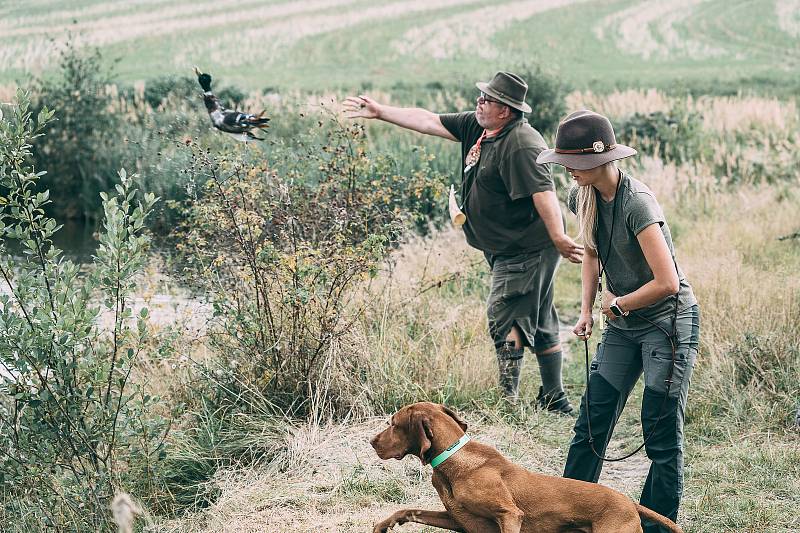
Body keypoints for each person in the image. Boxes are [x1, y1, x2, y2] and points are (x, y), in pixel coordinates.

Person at [344, 72, 583, 412]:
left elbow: (544, 192)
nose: (479, 102)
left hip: (526, 249)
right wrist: (380, 110)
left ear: (507, 110)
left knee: (505, 314)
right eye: (481, 97)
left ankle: (508, 404)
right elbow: (427, 120)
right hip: (506, 248)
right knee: (539, 317)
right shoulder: (480, 128)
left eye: (488, 100)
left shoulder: (522, 143)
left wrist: (559, 236)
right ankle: (554, 398)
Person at [536, 110, 700, 532]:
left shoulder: (637, 203)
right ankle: (568, 518)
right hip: (622, 326)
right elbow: (591, 251)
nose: (567, 170)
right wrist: (588, 309)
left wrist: (619, 303)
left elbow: (667, 282)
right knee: (592, 419)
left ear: (598, 160)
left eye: (572, 162)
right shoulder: (584, 195)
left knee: (660, 433)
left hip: (668, 324)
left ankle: (656, 527)